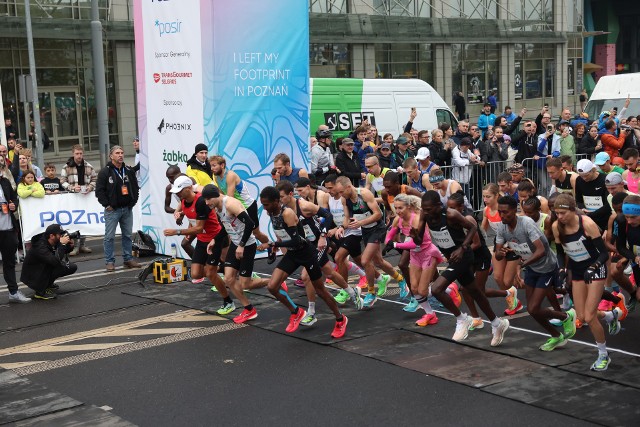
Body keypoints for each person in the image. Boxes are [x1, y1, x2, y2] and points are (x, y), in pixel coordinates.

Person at [257, 186, 349, 338]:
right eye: (263, 204)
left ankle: (340, 318)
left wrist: (273, 244)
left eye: (266, 204)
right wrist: (276, 246)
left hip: (306, 253)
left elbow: (295, 241)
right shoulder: (271, 212)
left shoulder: (287, 213)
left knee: (320, 291)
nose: (264, 208)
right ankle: (296, 312)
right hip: (293, 254)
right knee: (272, 286)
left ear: (276, 201)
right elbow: (283, 234)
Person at [420, 190, 510, 345]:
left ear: (438, 206)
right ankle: (497, 323)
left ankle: (462, 319)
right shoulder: (425, 215)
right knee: (475, 291)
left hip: (463, 256)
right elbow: (418, 238)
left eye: (429, 209)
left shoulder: (451, 214)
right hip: (452, 257)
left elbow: (473, 228)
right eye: (424, 209)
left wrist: (462, 248)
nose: (426, 212)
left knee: (436, 289)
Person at [495, 196, 576, 351]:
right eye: (500, 212)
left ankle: (566, 316)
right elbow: (498, 254)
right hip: (532, 267)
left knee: (533, 308)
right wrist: (501, 253)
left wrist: (523, 264)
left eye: (505, 212)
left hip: (546, 266)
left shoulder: (526, 224)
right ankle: (556, 336)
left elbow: (541, 250)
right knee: (533, 311)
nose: (502, 215)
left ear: (514, 211)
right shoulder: (501, 227)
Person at [552, 194, 619, 371]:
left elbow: (604, 253)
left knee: (589, 317)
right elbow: (560, 253)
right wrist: (561, 269)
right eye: (556, 213)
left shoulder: (587, 224)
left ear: (572, 210)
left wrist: (594, 266)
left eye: (562, 213)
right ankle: (611, 315)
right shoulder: (556, 226)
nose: (559, 217)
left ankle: (603, 354)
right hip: (578, 269)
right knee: (581, 316)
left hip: (595, 267)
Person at [164, 179, 233, 313]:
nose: (177, 194)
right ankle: (223, 269)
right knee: (195, 274)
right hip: (202, 241)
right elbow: (192, 217)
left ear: (188, 189)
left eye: (179, 191)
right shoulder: (183, 202)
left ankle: (228, 301)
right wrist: (180, 215)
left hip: (214, 239)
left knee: (210, 273)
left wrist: (177, 232)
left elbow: (199, 228)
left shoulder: (201, 201)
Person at [202, 185, 268, 323]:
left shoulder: (230, 204)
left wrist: (242, 245)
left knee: (245, 284)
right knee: (229, 279)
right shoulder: (216, 208)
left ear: (216, 195)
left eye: (208, 199)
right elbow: (226, 228)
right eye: (205, 199)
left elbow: (250, 224)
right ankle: (249, 309)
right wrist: (214, 240)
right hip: (235, 244)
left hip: (247, 244)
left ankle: (274, 282)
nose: (207, 202)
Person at [335, 176, 404, 308]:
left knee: (365, 261)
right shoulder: (345, 199)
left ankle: (371, 293)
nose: (340, 195)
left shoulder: (364, 194)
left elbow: (377, 214)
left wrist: (360, 223)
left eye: (341, 191)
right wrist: (341, 227)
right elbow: (347, 218)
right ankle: (400, 279)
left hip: (377, 228)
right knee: (378, 261)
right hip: (366, 231)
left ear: (349, 187)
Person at [385, 193, 449, 325]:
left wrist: (395, 244)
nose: (398, 211)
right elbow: (390, 234)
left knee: (423, 291)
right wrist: (387, 243)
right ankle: (430, 314)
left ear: (408, 207)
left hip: (428, 254)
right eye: (395, 208)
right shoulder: (398, 219)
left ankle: (448, 289)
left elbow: (415, 243)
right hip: (415, 256)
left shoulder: (417, 219)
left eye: (400, 208)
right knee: (414, 289)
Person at [95, 145, 141, 272]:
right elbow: (99, 191)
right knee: (109, 237)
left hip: (127, 209)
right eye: (117, 153)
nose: (120, 155)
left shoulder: (128, 170)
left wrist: (133, 202)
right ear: (111, 156)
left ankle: (128, 259)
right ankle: (109, 261)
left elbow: (135, 188)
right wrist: (107, 205)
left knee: (127, 235)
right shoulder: (105, 172)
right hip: (112, 210)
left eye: (122, 152)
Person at [209, 155, 269, 245]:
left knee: (256, 233)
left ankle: (270, 246)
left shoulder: (230, 175)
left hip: (248, 206)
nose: (212, 168)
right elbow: (221, 196)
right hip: (237, 206)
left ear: (222, 165)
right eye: (211, 166)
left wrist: (225, 212)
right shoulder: (217, 178)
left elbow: (230, 197)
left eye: (214, 165)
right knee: (235, 233)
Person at [20, 224, 78, 300]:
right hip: (33, 275)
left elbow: (59, 252)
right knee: (58, 266)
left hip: (42, 269)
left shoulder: (52, 240)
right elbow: (55, 261)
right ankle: (40, 292)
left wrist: (70, 246)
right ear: (52, 236)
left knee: (71, 267)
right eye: (60, 234)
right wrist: (62, 244)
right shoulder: (40, 246)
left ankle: (48, 284)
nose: (62, 236)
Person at [0, 155, 29, 303]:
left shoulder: (5, 182)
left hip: (8, 227)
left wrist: (13, 206)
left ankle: (13, 291)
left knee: (9, 262)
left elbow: (14, 199)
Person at [60, 144, 97, 255]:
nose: (79, 156)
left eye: (81, 153)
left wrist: (90, 187)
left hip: (86, 197)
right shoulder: (66, 167)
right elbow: (62, 181)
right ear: (73, 153)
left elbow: (94, 179)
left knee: (84, 221)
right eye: (77, 153)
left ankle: (82, 245)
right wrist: (71, 187)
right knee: (75, 221)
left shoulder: (89, 166)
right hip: (73, 197)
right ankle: (75, 246)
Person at [163, 165, 196, 261]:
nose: (170, 180)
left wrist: (182, 213)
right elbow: (167, 208)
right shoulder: (169, 188)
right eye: (168, 177)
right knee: (185, 244)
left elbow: (195, 201)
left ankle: (215, 267)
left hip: (199, 217)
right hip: (191, 217)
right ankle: (200, 265)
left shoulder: (189, 182)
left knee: (208, 243)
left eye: (172, 177)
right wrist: (179, 213)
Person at [574, 158, 612, 232]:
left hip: (603, 218)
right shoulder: (578, 180)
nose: (584, 178)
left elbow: (608, 204)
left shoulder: (604, 179)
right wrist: (582, 209)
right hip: (588, 217)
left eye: (586, 175)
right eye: (582, 176)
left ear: (593, 170)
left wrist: (592, 214)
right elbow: (578, 200)